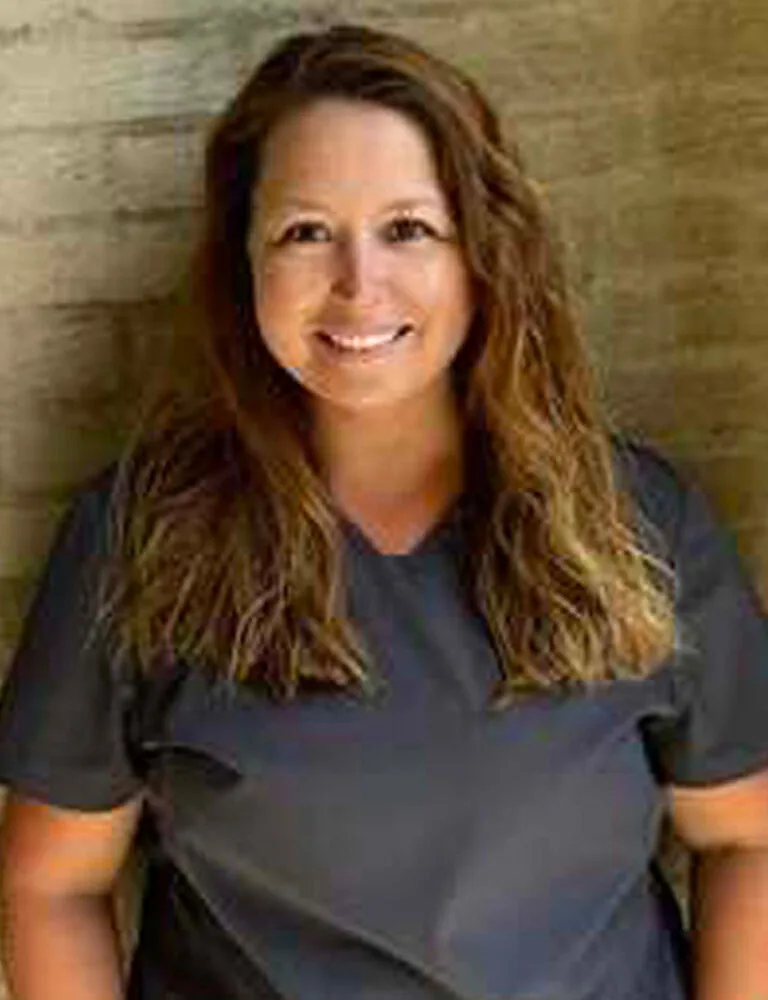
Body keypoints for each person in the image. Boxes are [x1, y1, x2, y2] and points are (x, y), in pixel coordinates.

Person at [0, 22, 767, 1000]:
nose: (359, 285)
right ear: (243, 263)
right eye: (305, 233)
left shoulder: (641, 526)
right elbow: (52, 884)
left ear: (482, 253)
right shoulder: (137, 541)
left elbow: (746, 836)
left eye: (408, 229)